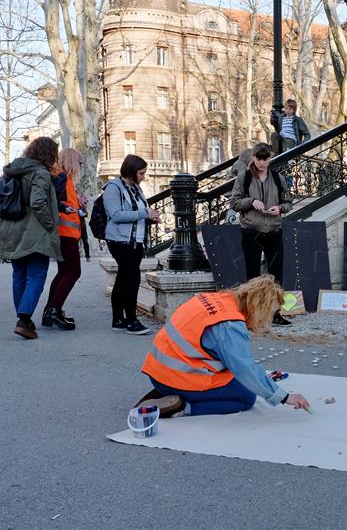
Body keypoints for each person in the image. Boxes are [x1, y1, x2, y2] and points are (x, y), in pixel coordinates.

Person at [135, 275, 311, 417]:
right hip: (176, 378)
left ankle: (169, 392)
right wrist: (285, 397)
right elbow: (244, 369)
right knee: (246, 397)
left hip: (158, 371)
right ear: (261, 309)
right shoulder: (230, 325)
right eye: (270, 314)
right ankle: (183, 407)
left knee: (234, 380)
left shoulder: (215, 298)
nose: (268, 321)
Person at [0, 137, 62, 339]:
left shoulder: (11, 170)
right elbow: (39, 202)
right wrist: (50, 225)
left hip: (11, 231)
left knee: (19, 275)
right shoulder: (40, 172)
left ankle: (23, 318)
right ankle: (24, 320)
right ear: (49, 154)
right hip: (34, 232)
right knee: (36, 275)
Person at [229, 143, 293, 326]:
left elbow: (288, 202)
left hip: (273, 230)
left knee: (276, 274)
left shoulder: (277, 178)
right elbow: (234, 202)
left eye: (266, 159)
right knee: (253, 276)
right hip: (251, 231)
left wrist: (280, 208)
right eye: (259, 159)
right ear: (253, 158)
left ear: (270, 159)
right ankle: (251, 315)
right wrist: (251, 201)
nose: (262, 163)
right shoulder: (244, 177)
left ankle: (275, 314)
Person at [104, 154, 160, 335]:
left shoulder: (136, 188)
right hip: (120, 240)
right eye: (141, 173)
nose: (144, 176)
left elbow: (138, 212)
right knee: (132, 278)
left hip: (136, 240)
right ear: (131, 171)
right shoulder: (113, 188)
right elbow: (116, 215)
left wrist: (150, 217)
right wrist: (144, 213)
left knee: (122, 277)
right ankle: (131, 321)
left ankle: (117, 319)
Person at [42, 148, 85, 331]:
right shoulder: (61, 178)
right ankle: (54, 310)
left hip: (64, 233)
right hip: (65, 234)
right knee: (73, 272)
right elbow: (52, 201)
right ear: (72, 162)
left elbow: (58, 201)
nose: (81, 167)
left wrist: (78, 206)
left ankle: (50, 311)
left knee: (63, 272)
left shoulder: (60, 177)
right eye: (80, 163)